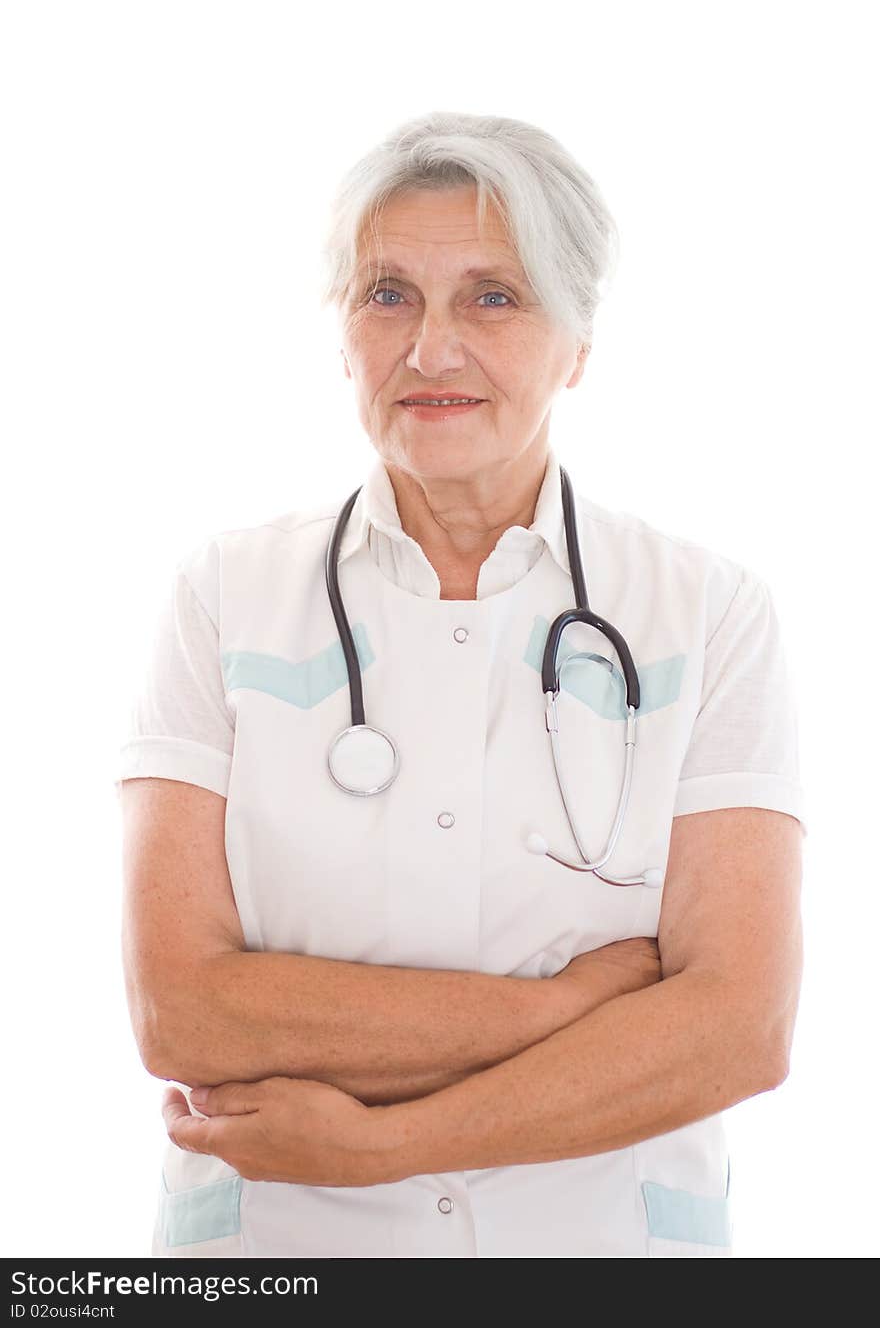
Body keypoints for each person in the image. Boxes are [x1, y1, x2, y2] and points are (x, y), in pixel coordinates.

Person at [115, 110, 805, 1259]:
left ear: (577, 342)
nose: (431, 350)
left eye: (494, 296)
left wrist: (385, 1142)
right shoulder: (224, 595)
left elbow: (737, 1026)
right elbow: (181, 1007)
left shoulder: (707, 610)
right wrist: (558, 1008)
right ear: (341, 333)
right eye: (388, 294)